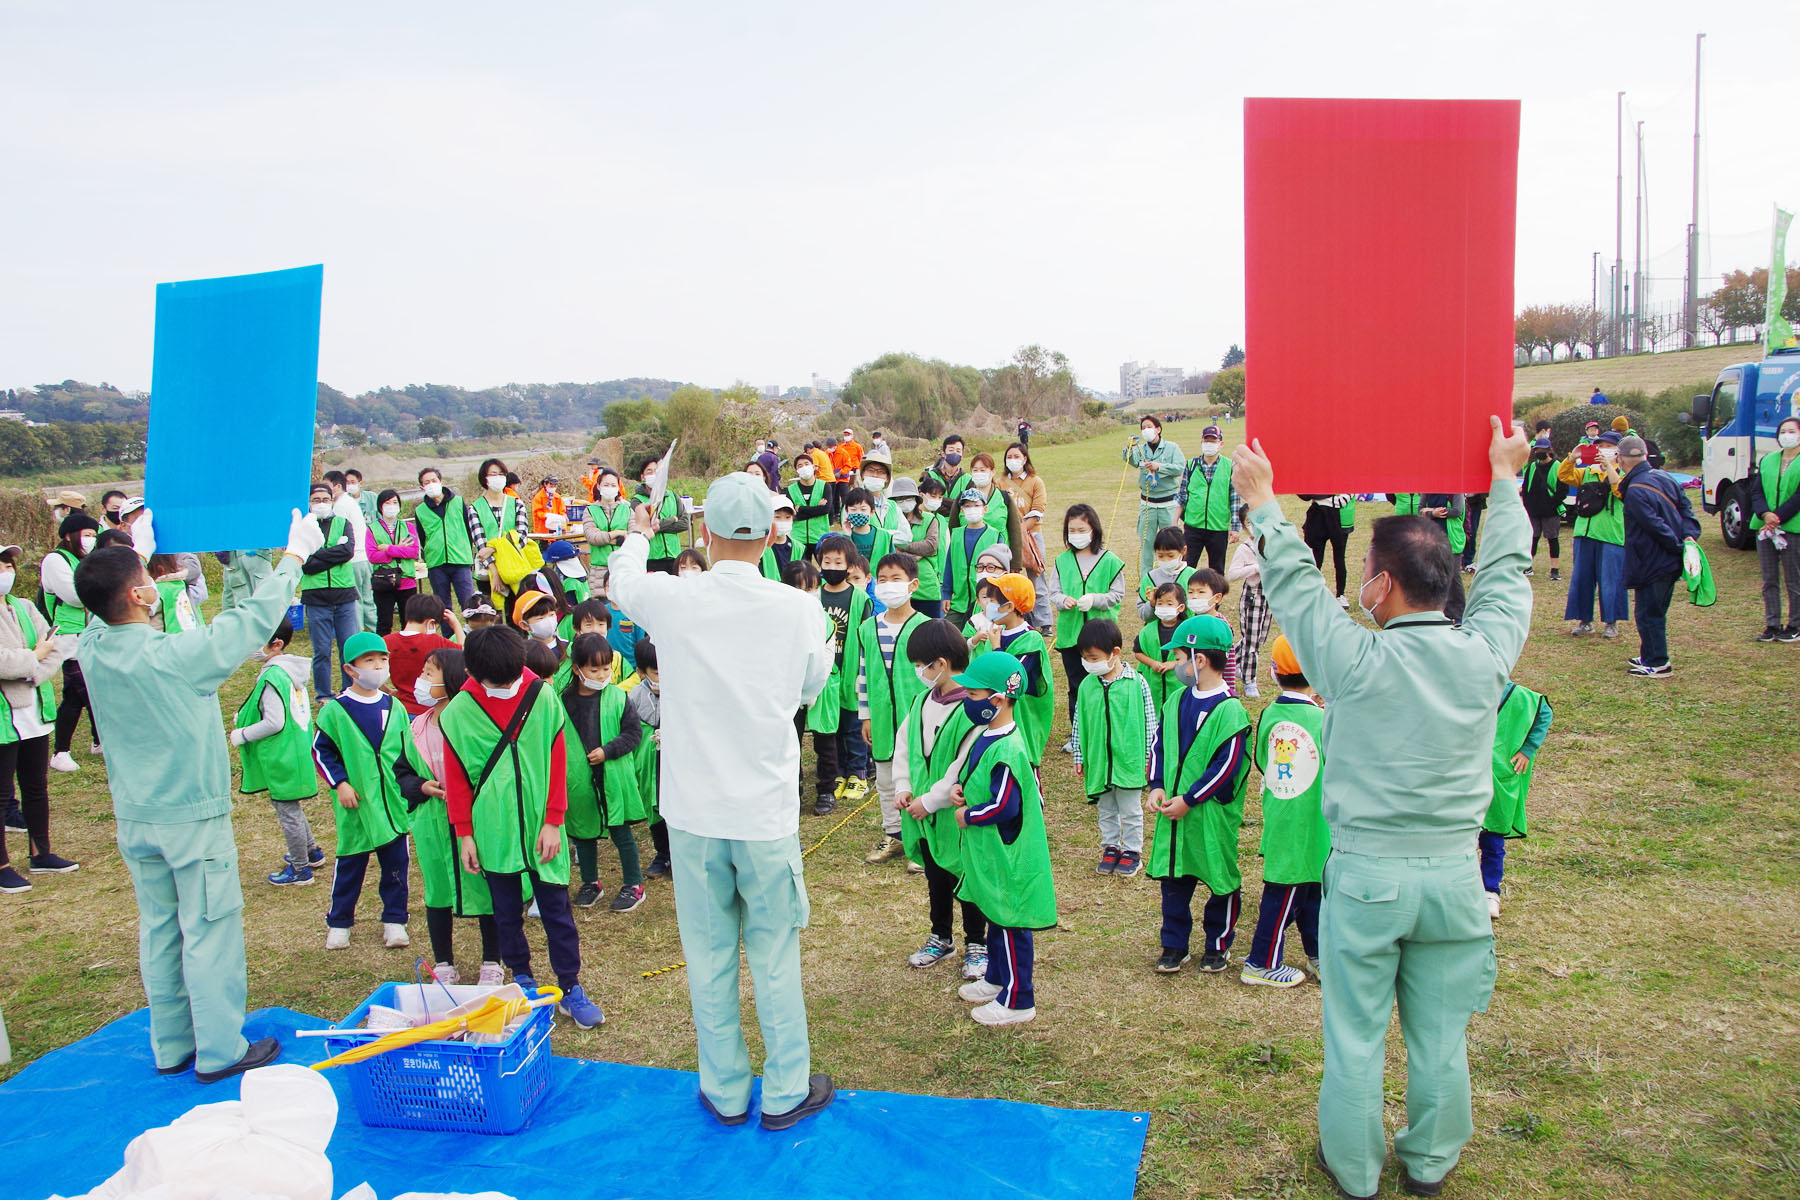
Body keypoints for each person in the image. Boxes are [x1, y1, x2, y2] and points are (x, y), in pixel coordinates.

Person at [1231, 415, 1532, 1200]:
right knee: (1441, 1038)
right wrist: (1505, 482)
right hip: (1456, 879)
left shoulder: (1354, 657)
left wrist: (1265, 504)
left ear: (1384, 585)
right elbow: (1506, 577)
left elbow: (1296, 588)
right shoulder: (1484, 655)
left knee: (1357, 1037)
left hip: (1367, 879)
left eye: (1366, 568)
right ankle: (1430, 1163)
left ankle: (1357, 1170)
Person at [609, 471, 837, 1129]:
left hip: (692, 812)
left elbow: (622, 582)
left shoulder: (676, 598)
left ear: (704, 534)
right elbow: (809, 687)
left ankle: (727, 1090)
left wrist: (636, 533)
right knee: (772, 952)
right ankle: (786, 1090)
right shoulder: (798, 608)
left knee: (708, 957)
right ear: (771, 535)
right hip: (762, 812)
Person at [73, 513, 323, 1083]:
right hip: (192, 818)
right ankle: (218, 1051)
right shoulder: (177, 659)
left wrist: (130, 553)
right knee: (209, 928)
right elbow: (250, 620)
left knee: (160, 927)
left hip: (135, 817)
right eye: (147, 575)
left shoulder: (93, 648)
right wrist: (293, 557)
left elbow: (102, 611)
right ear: (139, 593)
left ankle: (172, 1045)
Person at [441, 625, 606, 1028]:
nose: (511, 685)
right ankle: (523, 982)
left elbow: (558, 760)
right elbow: (457, 777)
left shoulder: (542, 696)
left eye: (516, 676)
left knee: (557, 910)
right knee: (506, 913)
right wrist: (464, 833)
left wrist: (553, 820)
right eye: (502, 681)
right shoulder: (457, 714)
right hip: (492, 831)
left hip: (541, 827)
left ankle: (570, 987)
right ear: (474, 674)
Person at [945, 649, 1057, 1026]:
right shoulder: (989, 735)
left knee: (1010, 923)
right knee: (995, 913)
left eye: (974, 696)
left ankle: (1018, 997)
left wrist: (967, 814)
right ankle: (996, 978)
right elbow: (981, 779)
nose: (967, 701)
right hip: (991, 853)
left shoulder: (1009, 747)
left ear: (997, 700)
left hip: (1008, 853)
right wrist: (963, 789)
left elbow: (1005, 806)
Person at [1144, 615, 1250, 976]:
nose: (1173, 665)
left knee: (1220, 879)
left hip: (1209, 816)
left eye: (1177, 658)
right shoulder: (1175, 701)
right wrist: (1156, 784)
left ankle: (1217, 945)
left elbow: (1226, 766)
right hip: (1174, 815)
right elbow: (1158, 744)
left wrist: (1190, 799)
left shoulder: (1230, 711)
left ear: (1198, 660)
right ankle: (1174, 945)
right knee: (1174, 881)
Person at [314, 631, 428, 950]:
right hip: (358, 803)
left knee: (396, 866)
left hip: (391, 802)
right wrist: (340, 783)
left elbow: (409, 752)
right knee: (351, 864)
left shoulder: (394, 707)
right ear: (351, 669)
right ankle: (339, 922)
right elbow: (322, 751)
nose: (378, 666)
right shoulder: (335, 711)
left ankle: (395, 920)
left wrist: (418, 785)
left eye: (382, 660)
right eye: (369, 661)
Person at [894, 620, 988, 980]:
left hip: (953, 812)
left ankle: (976, 942)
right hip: (923, 813)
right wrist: (903, 786)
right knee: (936, 875)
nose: (919, 673)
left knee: (966, 876)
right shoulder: (922, 700)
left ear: (942, 664)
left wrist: (930, 801)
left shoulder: (972, 707)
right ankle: (941, 935)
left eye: (922, 665)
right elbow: (905, 746)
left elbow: (963, 764)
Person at [1242, 636, 1328, 989]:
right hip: (1314, 820)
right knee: (1285, 889)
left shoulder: (1268, 715)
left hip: (1282, 815)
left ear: (1273, 673)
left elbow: (1262, 760)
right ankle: (1261, 962)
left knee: (1310, 888)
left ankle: (1320, 953)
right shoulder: (1325, 719)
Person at [0, 541, 73, 892]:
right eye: (1, 566)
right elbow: (3, 661)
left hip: (34, 708)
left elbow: (52, 648)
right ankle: (1, 864)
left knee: (35, 786)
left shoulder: (24, 606)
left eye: (9, 565)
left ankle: (40, 853)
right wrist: (33, 656)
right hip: (4, 714)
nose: (6, 572)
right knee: (2, 794)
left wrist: (31, 667)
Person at [560, 633, 649, 913]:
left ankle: (634, 884)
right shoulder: (563, 701)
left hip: (612, 777)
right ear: (577, 669)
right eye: (594, 669)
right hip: (579, 780)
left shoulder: (618, 698)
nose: (602, 675)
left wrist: (608, 751)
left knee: (621, 832)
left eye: (606, 668)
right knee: (583, 833)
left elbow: (633, 733)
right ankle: (590, 882)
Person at [229, 620, 321, 886]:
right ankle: (312, 851)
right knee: (292, 806)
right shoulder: (289, 672)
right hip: (297, 751)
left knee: (287, 810)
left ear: (276, 644)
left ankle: (301, 868)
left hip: (283, 756)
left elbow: (274, 722)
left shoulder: (273, 676)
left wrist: (242, 734)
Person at [854, 552, 930, 865]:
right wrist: (866, 715)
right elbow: (863, 675)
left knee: (917, 776)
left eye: (895, 579)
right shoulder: (868, 629)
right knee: (885, 778)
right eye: (882, 580)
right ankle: (895, 835)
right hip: (883, 719)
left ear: (913, 585)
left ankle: (921, 841)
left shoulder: (926, 627)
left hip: (918, 718)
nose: (888, 586)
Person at [1071, 618, 1156, 878]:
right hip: (1099, 759)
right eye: (1085, 657)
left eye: (1093, 657)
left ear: (1115, 653)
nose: (1088, 662)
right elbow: (1079, 720)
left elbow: (1150, 723)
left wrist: (1148, 757)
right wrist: (1079, 753)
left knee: (1130, 809)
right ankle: (1110, 846)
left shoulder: (1136, 683)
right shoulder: (1087, 685)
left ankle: (1132, 850)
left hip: (1128, 758)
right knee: (1106, 808)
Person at [1619, 435, 1699, 679]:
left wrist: (1676, 545)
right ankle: (1648, 654)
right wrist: (1688, 537)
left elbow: (1653, 525)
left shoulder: (1635, 490)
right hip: (1669, 558)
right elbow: (1686, 508)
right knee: (1654, 609)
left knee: (1648, 612)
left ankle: (1658, 662)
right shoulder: (1665, 477)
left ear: (1622, 460)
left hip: (1653, 559)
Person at [1046, 503, 1126, 736]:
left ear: (1094, 530)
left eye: (1082, 529)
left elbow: (1117, 595)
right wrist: (1063, 600)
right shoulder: (1062, 560)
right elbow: (1054, 592)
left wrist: (1095, 599)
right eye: (1072, 530)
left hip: (1100, 633)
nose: (1077, 535)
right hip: (1071, 634)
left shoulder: (1110, 560)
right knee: (1076, 686)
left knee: (1105, 682)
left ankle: (1106, 729)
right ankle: (1078, 734)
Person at [968, 572, 1054, 766]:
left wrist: (997, 647)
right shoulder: (997, 632)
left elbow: (1011, 680)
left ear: (1008, 607)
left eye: (991, 600)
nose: (986, 605)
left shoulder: (1030, 639)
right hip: (998, 713)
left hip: (1022, 717)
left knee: (1021, 763)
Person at [1482, 679, 1551, 919]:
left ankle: (1490, 890)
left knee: (1493, 839)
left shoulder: (1518, 695)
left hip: (1500, 779)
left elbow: (1543, 710)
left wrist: (1528, 749)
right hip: (1465, 779)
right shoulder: (1460, 689)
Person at [814, 535, 871, 807]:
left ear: (850, 566)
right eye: (827, 561)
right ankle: (836, 773)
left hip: (852, 673)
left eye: (838, 561)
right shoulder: (815, 597)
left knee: (853, 726)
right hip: (825, 675)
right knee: (830, 728)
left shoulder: (860, 599)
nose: (832, 566)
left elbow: (865, 637)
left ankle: (857, 772)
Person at [41, 512, 100, 773]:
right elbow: (75, 595)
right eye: (86, 535)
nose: (90, 540)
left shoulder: (84, 560)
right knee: (88, 692)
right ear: (69, 535)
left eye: (93, 535)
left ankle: (65, 750)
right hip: (68, 637)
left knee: (75, 696)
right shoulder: (56, 560)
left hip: (89, 634)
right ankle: (95, 743)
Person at [1559, 435, 1628, 639]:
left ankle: (1611, 622)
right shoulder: (1588, 472)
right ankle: (1584, 621)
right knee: (1582, 578)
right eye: (1600, 447)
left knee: (1611, 580)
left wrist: (1609, 468)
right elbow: (1564, 475)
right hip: (1585, 532)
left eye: (1609, 447)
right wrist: (1573, 457)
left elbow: (1620, 491)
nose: (1603, 450)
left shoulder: (1624, 474)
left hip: (1610, 534)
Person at [299, 482, 360, 700]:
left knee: (348, 648)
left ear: (332, 501)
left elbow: (347, 551)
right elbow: (304, 562)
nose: (321, 504)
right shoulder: (303, 527)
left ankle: (348, 690)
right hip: (315, 597)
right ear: (309, 502)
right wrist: (332, 554)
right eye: (316, 500)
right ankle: (323, 694)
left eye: (325, 500)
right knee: (321, 651)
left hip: (343, 594)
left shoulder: (343, 523)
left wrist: (319, 556)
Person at [1749, 416, 1800, 641]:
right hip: (1765, 527)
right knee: (1769, 578)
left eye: (1792, 431)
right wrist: (1765, 514)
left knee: (1793, 578)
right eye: (1783, 431)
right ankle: (1772, 624)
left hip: (1792, 526)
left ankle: (1795, 624)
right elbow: (1756, 491)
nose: (1787, 435)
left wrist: (1779, 516)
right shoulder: (1769, 460)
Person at [1001, 443, 1053, 631]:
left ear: (1025, 459)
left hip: (1032, 535)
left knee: (1037, 578)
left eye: (1017, 456)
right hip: (1008, 537)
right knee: (1008, 579)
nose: (1013, 460)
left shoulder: (1035, 481)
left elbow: (1038, 510)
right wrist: (1013, 533)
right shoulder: (1000, 483)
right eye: (1009, 457)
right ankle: (1012, 619)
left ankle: (1044, 622)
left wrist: (1020, 530)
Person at [629, 637, 669, 877]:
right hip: (648, 765)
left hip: (675, 765)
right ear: (641, 672)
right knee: (654, 808)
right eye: (656, 671)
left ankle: (679, 854)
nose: (662, 676)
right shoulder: (634, 697)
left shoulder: (680, 693)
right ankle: (662, 853)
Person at [1124, 416, 1185, 575]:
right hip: (1148, 504)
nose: (1146, 430)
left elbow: (1179, 468)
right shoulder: (1141, 449)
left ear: (1158, 429)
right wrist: (1130, 447)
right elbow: (1131, 460)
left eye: (1149, 427)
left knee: (1170, 542)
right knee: (1146, 542)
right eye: (1143, 428)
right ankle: (1146, 578)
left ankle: (1172, 574)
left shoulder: (1172, 448)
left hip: (1168, 503)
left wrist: (1160, 467)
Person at [385, 592, 461, 716]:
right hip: (430, 710)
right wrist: (456, 625)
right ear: (431, 623)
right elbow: (463, 654)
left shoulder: (386, 641)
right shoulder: (435, 641)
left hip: (401, 709)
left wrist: (387, 690)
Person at [468, 458, 531, 604]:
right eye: (493, 474)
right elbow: (481, 547)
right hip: (488, 570)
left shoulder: (516, 504)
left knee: (517, 614)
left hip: (514, 568)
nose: (498, 478)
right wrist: (495, 571)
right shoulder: (475, 508)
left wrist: (493, 547)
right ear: (485, 478)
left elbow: (521, 539)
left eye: (501, 474)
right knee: (491, 616)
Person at [413, 467, 478, 609]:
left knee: (469, 603)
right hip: (436, 563)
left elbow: (469, 530)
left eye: (434, 480)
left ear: (441, 481)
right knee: (443, 607)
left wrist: (465, 549)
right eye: (427, 482)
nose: (431, 484)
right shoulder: (420, 511)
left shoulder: (458, 502)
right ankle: (448, 632)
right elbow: (422, 537)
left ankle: (471, 631)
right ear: (422, 487)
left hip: (460, 559)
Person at [1178, 425, 1240, 572]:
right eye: (1207, 440)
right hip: (1193, 525)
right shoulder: (1191, 465)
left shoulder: (1230, 466)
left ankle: (1216, 594)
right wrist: (1175, 521)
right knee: (1186, 566)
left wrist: (1235, 527)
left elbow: (1235, 498)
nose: (1209, 444)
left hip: (1218, 526)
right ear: (1201, 441)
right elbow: (1182, 495)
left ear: (1221, 443)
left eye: (1213, 441)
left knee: (1217, 569)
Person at [942, 489, 1004, 627]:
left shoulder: (995, 536)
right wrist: (946, 593)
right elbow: (949, 566)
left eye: (976, 505)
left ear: (985, 508)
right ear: (961, 510)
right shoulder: (956, 535)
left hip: (986, 602)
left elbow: (1004, 571)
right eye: (967, 506)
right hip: (959, 602)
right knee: (948, 635)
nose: (972, 509)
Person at [325, 471, 376, 634]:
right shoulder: (350, 502)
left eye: (326, 486)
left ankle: (358, 635)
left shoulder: (340, 505)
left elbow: (336, 534)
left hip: (353, 559)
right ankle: (378, 630)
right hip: (364, 558)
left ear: (337, 486)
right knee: (367, 600)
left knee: (355, 602)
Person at [366, 488, 421, 635]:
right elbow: (373, 556)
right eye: (387, 503)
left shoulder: (408, 527)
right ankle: (382, 653)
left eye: (395, 502)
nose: (392, 506)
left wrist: (389, 549)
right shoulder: (372, 529)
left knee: (408, 621)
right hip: (383, 581)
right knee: (384, 622)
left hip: (406, 580)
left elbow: (413, 552)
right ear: (380, 507)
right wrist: (399, 549)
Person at [1227, 513, 1270, 698]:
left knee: (1257, 640)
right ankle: (1249, 680)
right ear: (1244, 526)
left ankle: (1232, 661)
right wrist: (1254, 568)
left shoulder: (1272, 545)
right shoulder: (1245, 549)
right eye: (1249, 522)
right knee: (1251, 642)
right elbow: (1232, 574)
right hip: (1253, 597)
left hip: (1269, 597)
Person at [950, 453, 1023, 559]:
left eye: (983, 470)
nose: (979, 473)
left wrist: (1015, 563)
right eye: (975, 470)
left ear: (992, 472)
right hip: (966, 557)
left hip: (998, 558)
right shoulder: (962, 498)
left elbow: (1015, 532)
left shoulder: (1004, 498)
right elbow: (953, 528)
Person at [1133, 582, 1186, 715]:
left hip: (1178, 683)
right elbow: (1138, 652)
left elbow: (1193, 655)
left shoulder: (1186, 630)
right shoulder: (1147, 630)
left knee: (1177, 714)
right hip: (1153, 684)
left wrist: (1173, 664)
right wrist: (1152, 663)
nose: (1164, 607)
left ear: (1180, 607)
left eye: (1169, 604)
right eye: (1160, 603)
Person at [632, 456, 689, 575]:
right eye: (649, 471)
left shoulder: (672, 496)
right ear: (642, 476)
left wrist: (660, 526)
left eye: (657, 471)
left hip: (674, 555)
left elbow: (684, 523)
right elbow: (647, 527)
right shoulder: (638, 501)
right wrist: (672, 519)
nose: (654, 475)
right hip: (652, 558)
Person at [1521, 438, 1564, 582]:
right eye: (1537, 450)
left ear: (1549, 450)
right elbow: (1526, 487)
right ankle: (1528, 566)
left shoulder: (1558, 466)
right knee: (1532, 538)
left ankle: (1555, 569)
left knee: (1552, 538)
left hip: (1550, 510)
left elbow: (1563, 489)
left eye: (1542, 450)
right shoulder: (1532, 466)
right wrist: (1527, 505)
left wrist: (1553, 503)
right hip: (1533, 510)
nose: (1540, 452)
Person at [1300, 495, 1355, 606]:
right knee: (1315, 558)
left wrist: (1319, 496)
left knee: (1339, 559)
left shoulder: (1349, 479)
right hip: (1317, 517)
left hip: (1340, 520)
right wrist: (1328, 494)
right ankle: (1312, 592)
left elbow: (1341, 501)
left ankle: (1340, 594)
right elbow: (1304, 495)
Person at [585, 467, 633, 574]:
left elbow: (633, 538)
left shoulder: (627, 510)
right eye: (606, 485)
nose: (609, 488)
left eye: (613, 485)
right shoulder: (590, 511)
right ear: (598, 486)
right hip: (599, 568)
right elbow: (593, 538)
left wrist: (605, 537)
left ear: (618, 488)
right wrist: (619, 533)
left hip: (624, 567)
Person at [786, 452, 832, 560]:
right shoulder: (790, 490)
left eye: (806, 464)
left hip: (820, 536)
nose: (804, 467)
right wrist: (817, 509)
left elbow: (826, 510)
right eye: (800, 465)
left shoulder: (824, 486)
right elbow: (793, 515)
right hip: (799, 538)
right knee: (802, 572)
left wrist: (801, 509)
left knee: (825, 569)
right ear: (796, 470)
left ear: (813, 466)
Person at [922, 434, 968, 503]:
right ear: (943, 453)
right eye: (951, 450)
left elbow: (968, 504)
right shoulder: (931, 476)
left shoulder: (968, 480)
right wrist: (956, 503)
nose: (955, 453)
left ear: (962, 455)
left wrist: (942, 501)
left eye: (958, 451)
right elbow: (927, 501)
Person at [830, 428, 864, 518]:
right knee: (844, 492)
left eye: (848, 434)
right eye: (845, 435)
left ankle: (861, 505)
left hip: (855, 469)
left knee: (857, 487)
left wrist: (859, 468)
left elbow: (861, 458)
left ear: (852, 436)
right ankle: (842, 511)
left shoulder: (857, 446)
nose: (846, 436)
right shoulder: (841, 447)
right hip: (843, 473)